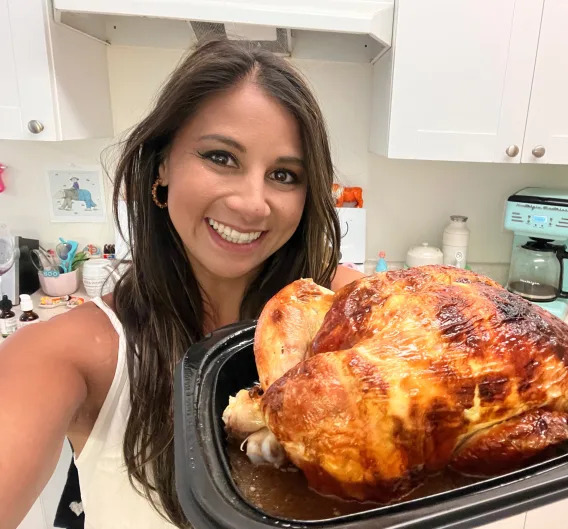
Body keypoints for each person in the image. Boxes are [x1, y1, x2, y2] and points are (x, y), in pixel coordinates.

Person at [0, 38, 363, 529]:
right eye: (222, 157)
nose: (254, 204)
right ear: (163, 164)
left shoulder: (346, 312)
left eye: (283, 174)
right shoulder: (70, 351)